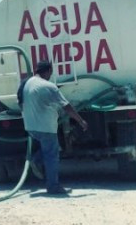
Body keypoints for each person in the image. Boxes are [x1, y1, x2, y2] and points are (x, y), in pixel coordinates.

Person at [22, 60, 88, 195]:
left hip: (30, 127)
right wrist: (81, 121)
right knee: (52, 156)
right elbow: (67, 107)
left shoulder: (28, 83)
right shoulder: (49, 86)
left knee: (50, 149)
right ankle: (53, 186)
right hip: (45, 128)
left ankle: (36, 160)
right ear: (48, 71)